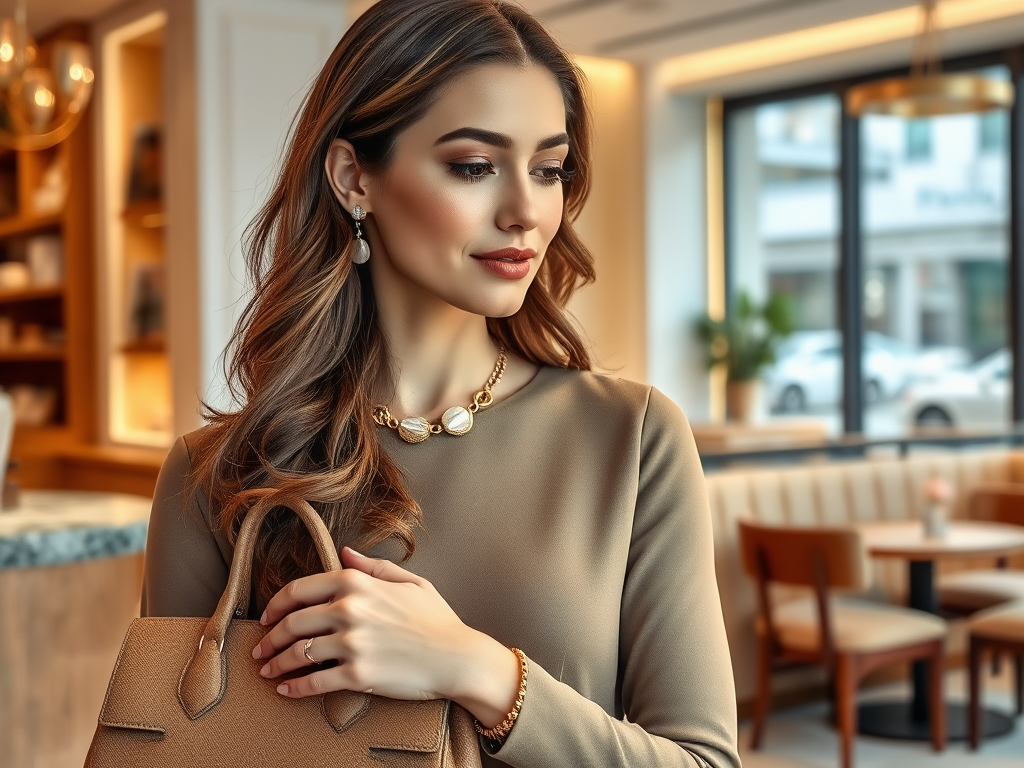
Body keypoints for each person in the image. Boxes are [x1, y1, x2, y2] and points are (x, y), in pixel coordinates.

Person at [141, 1, 740, 766]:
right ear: (355, 178)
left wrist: (479, 671)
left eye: (549, 169)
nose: (526, 210)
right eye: (474, 167)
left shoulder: (633, 438)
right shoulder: (213, 477)